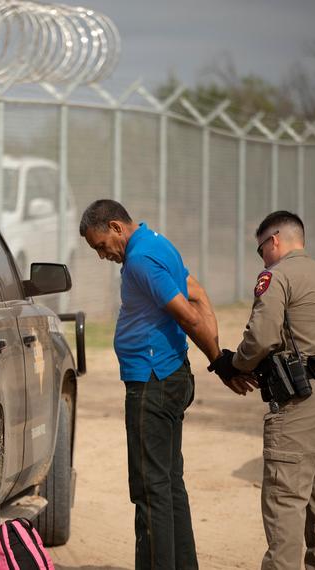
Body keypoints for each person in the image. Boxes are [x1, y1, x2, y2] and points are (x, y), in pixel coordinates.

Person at [79, 199, 235, 570]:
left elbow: (188, 316)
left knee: (150, 490)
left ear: (116, 227)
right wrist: (219, 354)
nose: (102, 256)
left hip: (152, 382)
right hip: (168, 375)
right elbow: (198, 293)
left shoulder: (140, 260)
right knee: (168, 484)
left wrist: (219, 361)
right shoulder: (158, 243)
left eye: (101, 245)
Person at [208, 210, 315, 570]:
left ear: (273, 241)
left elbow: (261, 337)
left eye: (261, 250)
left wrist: (233, 364)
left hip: (303, 402)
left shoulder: (276, 276)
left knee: (285, 501)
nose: (262, 259)